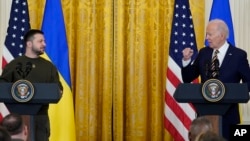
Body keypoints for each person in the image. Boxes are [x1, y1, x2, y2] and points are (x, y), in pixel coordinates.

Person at [181, 18, 250, 140]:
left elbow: (248, 82)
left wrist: (238, 93)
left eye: (210, 34)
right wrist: (186, 61)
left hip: (228, 115)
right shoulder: (203, 53)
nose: (206, 38)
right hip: (204, 114)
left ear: (222, 35)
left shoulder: (238, 55)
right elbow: (188, 78)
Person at [0, 29, 63, 141]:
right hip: (17, 119)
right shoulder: (14, 65)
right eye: (40, 41)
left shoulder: (49, 67)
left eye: (44, 41)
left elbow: (57, 90)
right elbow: (2, 87)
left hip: (40, 119)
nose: (44, 44)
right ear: (29, 44)